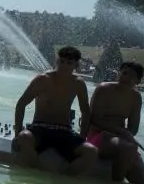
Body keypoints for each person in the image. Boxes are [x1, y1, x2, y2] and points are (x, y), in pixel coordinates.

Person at [12, 46, 97, 175]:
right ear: (57, 61)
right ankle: (31, 177)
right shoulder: (43, 79)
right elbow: (21, 104)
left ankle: (63, 182)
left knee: (91, 151)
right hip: (39, 128)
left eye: (69, 63)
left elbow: (85, 111)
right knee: (24, 137)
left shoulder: (78, 83)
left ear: (76, 65)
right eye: (61, 61)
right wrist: (17, 131)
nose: (64, 66)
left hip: (64, 131)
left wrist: (82, 136)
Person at [88, 62, 144, 184]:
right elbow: (95, 120)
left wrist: (122, 135)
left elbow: (133, 128)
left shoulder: (136, 97)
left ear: (138, 81)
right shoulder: (103, 89)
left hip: (120, 140)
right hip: (99, 136)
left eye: (132, 76)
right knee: (129, 148)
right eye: (124, 73)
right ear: (119, 74)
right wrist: (122, 132)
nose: (126, 78)